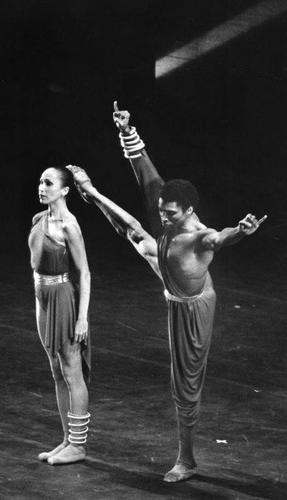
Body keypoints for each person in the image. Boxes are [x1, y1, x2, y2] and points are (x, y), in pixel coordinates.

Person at [67, 104, 266, 482]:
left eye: (170, 214)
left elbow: (222, 238)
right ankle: (90, 191)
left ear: (188, 210)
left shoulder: (199, 237)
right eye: (162, 211)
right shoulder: (167, 211)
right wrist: (127, 131)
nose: (163, 216)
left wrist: (242, 230)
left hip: (192, 308)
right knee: (134, 232)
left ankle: (186, 460)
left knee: (185, 386)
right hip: (171, 281)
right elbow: (147, 176)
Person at [28, 166, 91, 466]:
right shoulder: (40, 219)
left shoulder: (69, 225)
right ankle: (67, 439)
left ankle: (78, 446)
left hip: (63, 299)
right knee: (56, 369)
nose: (42, 186)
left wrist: (82, 318)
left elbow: (86, 273)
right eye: (40, 181)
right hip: (42, 299)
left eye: (48, 182)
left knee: (71, 370)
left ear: (65, 190)